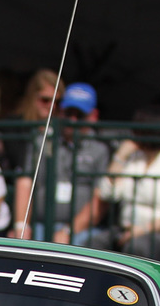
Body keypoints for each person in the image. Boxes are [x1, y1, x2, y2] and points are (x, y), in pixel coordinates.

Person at [64, 106, 160, 265]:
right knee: (94, 244)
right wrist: (120, 157)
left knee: (137, 247)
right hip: (128, 231)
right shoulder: (134, 160)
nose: (133, 135)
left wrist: (142, 230)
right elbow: (109, 193)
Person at [10, 81, 113, 241]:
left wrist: (68, 231)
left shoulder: (101, 148)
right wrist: (21, 226)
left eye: (79, 115)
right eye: (68, 113)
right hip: (40, 226)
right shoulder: (43, 140)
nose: (72, 120)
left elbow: (101, 199)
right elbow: (25, 182)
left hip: (82, 231)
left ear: (93, 116)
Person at [3, 68, 62, 172]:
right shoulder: (14, 126)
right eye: (45, 100)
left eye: (56, 101)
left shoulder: (62, 129)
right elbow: (18, 161)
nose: (52, 106)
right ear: (32, 97)